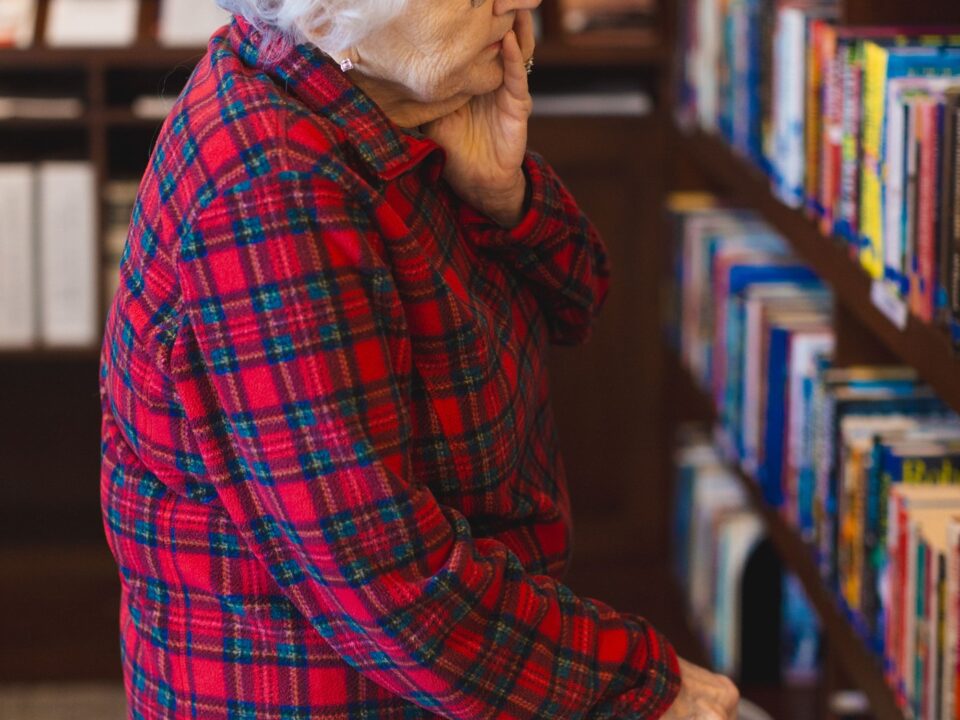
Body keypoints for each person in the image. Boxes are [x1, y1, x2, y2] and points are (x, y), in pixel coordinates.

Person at [98, 0, 740, 717]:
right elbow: (389, 586)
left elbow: (580, 299)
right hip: (334, 693)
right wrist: (640, 686)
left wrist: (505, 194)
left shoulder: (391, 97)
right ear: (327, 12)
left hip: (448, 666)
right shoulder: (269, 187)